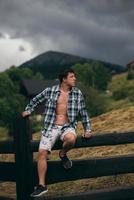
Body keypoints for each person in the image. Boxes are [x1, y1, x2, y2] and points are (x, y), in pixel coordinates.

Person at [22, 68, 92, 197]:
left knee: (71, 139)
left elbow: (83, 112)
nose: (75, 79)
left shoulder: (77, 93)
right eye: (72, 77)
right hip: (51, 127)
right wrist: (28, 110)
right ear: (64, 79)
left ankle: (62, 153)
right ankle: (42, 186)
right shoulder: (50, 91)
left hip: (68, 126)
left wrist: (88, 130)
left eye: (74, 76)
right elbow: (35, 100)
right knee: (42, 153)